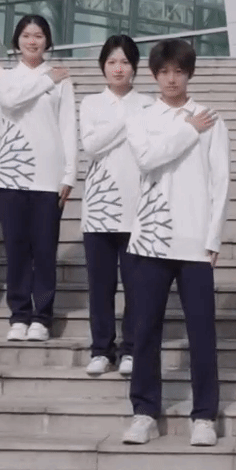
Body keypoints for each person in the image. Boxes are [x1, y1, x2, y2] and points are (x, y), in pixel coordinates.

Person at [120, 39, 228, 448]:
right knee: (145, 329)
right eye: (164, 72)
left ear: (189, 74)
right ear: (153, 75)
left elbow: (220, 181)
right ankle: (144, 412)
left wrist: (213, 235)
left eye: (178, 72)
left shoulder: (210, 119)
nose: (171, 79)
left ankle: (205, 415)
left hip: (195, 241)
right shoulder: (142, 116)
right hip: (150, 239)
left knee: (201, 332)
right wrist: (187, 129)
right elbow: (148, 158)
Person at [0, 15, 76, 336]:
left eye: (39, 35)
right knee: (16, 249)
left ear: (47, 41)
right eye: (26, 35)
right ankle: (19, 315)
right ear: (17, 40)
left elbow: (68, 127)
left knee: (44, 251)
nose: (32, 41)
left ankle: (42, 316)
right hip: (11, 175)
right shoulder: (4, 77)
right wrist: (46, 81)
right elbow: (11, 102)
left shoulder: (62, 80)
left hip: (48, 177)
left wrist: (69, 173)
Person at [79, 35, 153, 377]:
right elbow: (92, 146)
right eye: (111, 62)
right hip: (99, 209)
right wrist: (127, 120)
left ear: (134, 66)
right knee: (101, 285)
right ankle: (101, 349)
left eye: (124, 62)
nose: (118, 68)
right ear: (103, 67)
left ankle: (132, 349)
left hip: (138, 208)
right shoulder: (91, 104)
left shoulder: (149, 104)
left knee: (137, 286)